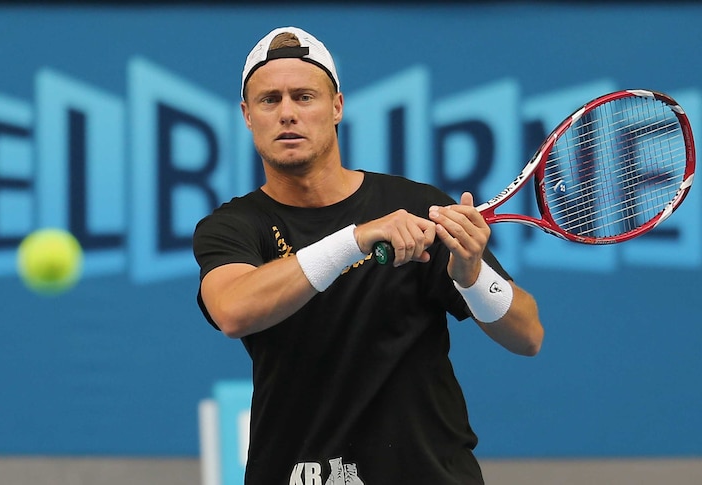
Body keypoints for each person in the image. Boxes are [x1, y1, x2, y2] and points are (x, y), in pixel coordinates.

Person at [193, 26, 544, 485]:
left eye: (304, 97)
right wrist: (353, 240)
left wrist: (471, 275)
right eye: (269, 100)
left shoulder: (419, 206)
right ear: (247, 115)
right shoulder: (234, 227)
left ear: (336, 106)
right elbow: (234, 311)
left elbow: (529, 335)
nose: (287, 114)